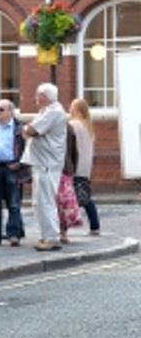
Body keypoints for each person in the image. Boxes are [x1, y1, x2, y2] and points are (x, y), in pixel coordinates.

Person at [24, 83, 68, 251]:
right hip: (42, 163)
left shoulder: (53, 112)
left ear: (44, 97)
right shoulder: (48, 111)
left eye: (38, 94)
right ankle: (46, 236)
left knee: (45, 202)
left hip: (47, 165)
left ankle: (51, 237)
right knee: (39, 202)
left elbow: (32, 130)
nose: (35, 97)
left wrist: (27, 129)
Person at [0, 99, 27, 247]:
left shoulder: (18, 129)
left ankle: (14, 234)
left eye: (1, 110)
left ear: (10, 111)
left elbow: (26, 149)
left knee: (14, 204)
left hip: (11, 168)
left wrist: (19, 164)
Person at [69, 98, 101, 236]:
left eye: (72, 107)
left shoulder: (74, 124)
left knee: (68, 197)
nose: (69, 109)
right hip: (85, 168)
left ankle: (65, 227)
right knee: (86, 198)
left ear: (77, 110)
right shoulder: (88, 127)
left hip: (75, 166)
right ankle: (95, 226)